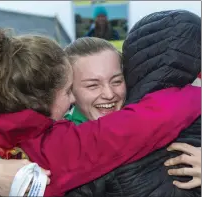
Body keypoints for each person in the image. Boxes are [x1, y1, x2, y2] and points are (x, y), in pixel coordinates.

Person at [0, 28, 200, 197]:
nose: (108, 94)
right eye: (71, 90)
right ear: (41, 99)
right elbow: (142, 123)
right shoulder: (57, 147)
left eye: (117, 80)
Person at [65, 9, 201, 197]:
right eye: (92, 85)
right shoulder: (61, 145)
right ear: (70, 91)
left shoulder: (164, 123)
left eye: (116, 81)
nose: (109, 94)